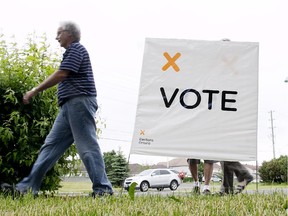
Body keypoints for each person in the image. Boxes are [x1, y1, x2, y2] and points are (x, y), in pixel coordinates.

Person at [1, 21, 113, 197]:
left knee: (87, 146)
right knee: (50, 146)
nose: (56, 37)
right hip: (68, 107)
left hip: (79, 103)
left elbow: (62, 74)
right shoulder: (71, 52)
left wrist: (34, 90)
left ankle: (103, 190)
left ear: (70, 34)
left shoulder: (77, 49)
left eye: (59, 33)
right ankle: (27, 188)